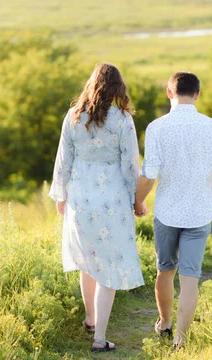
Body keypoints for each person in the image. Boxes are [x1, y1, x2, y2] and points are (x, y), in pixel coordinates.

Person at [134, 71, 212, 349]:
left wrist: (137, 201)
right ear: (198, 94)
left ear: (169, 92)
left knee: (165, 270)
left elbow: (149, 175)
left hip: (166, 212)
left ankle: (164, 323)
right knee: (190, 277)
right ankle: (181, 338)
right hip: (200, 212)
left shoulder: (156, 127)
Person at [49, 63, 144, 353]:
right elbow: (130, 165)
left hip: (81, 197)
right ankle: (99, 336)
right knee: (109, 267)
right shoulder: (123, 120)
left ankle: (90, 319)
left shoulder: (74, 116)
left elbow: (63, 160)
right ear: (118, 88)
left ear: (91, 85)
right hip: (112, 199)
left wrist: (60, 196)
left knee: (87, 260)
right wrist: (137, 199)